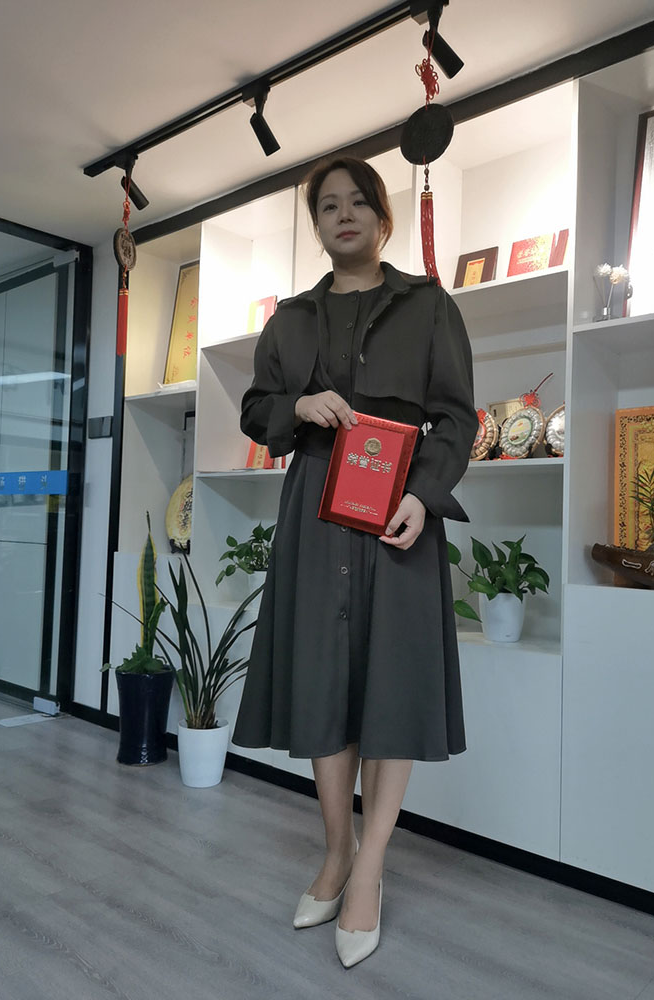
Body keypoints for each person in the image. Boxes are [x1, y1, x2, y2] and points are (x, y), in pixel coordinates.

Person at [231, 155, 477, 968]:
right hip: (315, 509)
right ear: (317, 225)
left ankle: (369, 868)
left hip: (398, 508)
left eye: (357, 202)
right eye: (328, 206)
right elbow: (257, 409)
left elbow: (457, 417)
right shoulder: (291, 319)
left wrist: (425, 496)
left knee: (391, 684)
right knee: (322, 680)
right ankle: (335, 851)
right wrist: (297, 404)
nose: (343, 215)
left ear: (381, 216)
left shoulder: (429, 305)